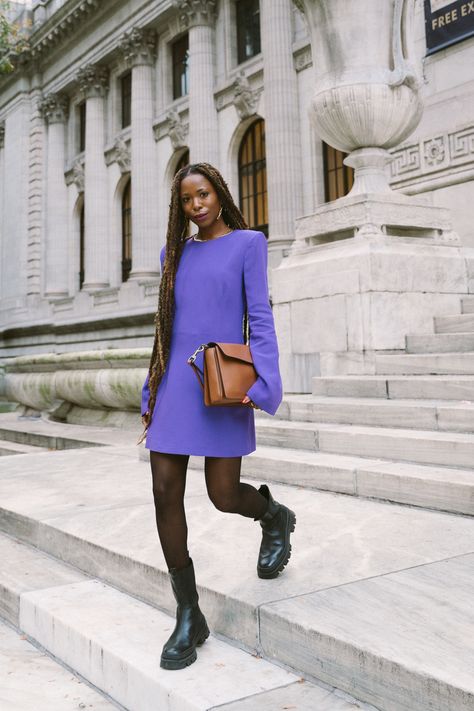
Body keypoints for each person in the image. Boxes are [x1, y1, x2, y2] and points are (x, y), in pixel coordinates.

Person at [139, 162, 296, 671]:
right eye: (187, 200)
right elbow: (165, 327)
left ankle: (274, 518)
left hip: (222, 381)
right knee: (164, 489)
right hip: (175, 384)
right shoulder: (174, 253)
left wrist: (264, 380)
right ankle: (189, 612)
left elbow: (261, 315)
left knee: (223, 495)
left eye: (202, 194)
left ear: (218, 193)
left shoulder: (249, 244)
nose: (196, 205)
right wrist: (151, 388)